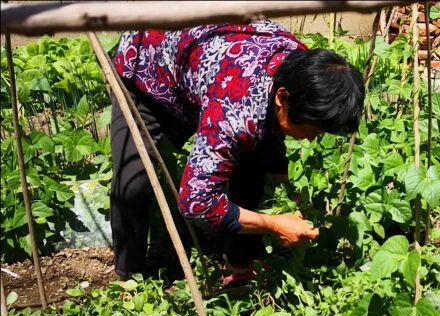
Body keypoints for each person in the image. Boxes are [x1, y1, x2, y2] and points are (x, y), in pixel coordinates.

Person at [110, 20, 365, 285]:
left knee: (253, 164)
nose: (312, 138)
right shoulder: (236, 112)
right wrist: (273, 224)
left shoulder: (303, 68)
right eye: (311, 128)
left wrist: (288, 187)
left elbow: (268, 136)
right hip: (148, 67)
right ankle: (129, 278)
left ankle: (237, 264)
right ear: (282, 97)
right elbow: (196, 203)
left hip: (207, 70)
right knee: (134, 182)